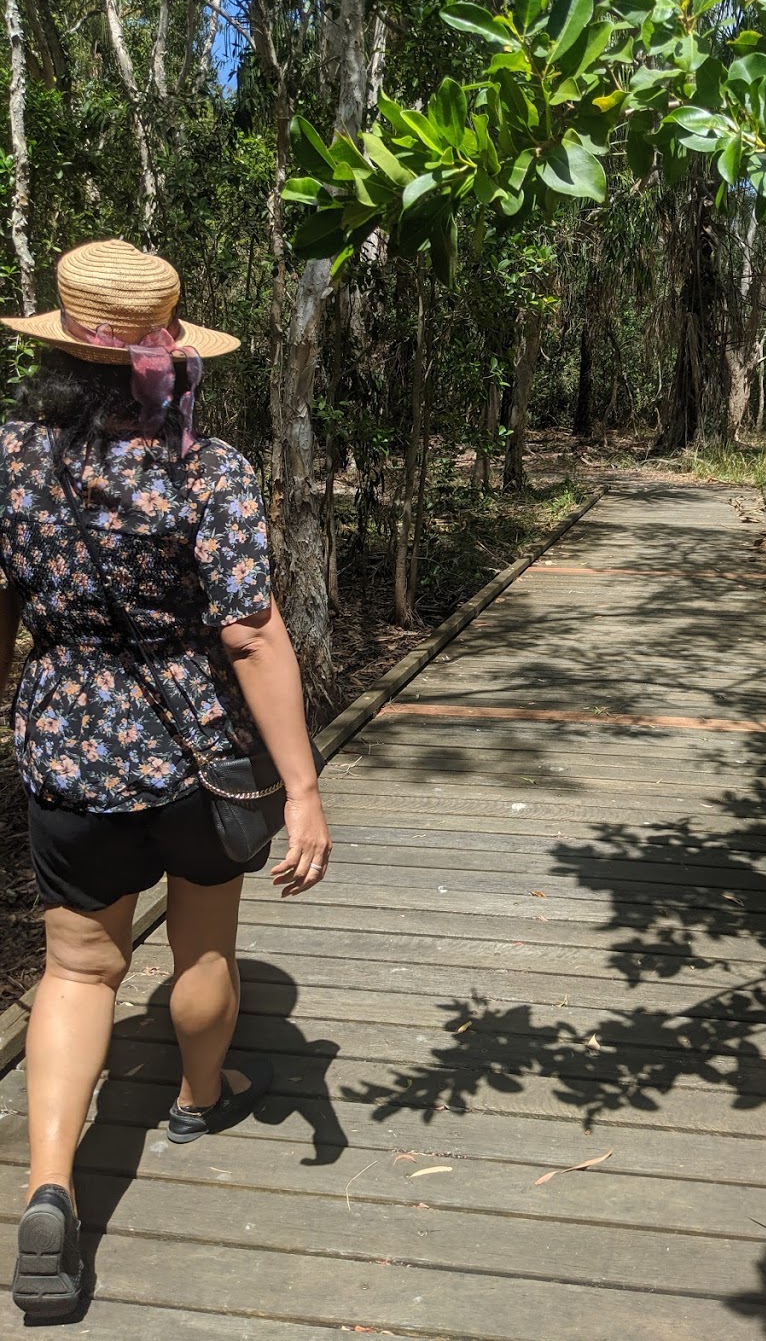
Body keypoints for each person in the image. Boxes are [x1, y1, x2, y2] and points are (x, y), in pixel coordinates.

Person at [0, 239, 332, 1320]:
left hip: (65, 751)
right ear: (169, 351)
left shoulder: (9, 456)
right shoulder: (209, 467)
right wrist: (304, 791)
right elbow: (249, 636)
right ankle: (201, 1096)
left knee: (79, 970)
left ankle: (51, 1183)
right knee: (203, 942)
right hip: (194, 755)